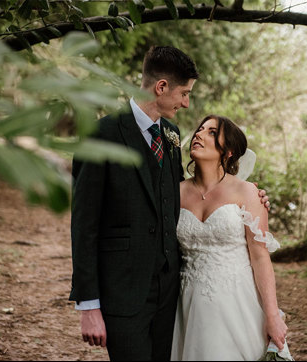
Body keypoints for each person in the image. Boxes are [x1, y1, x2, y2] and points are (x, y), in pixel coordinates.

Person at [69, 46, 270, 361]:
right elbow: (84, 224)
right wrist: (88, 305)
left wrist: (248, 195)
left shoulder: (172, 137)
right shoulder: (100, 135)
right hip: (123, 293)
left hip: (173, 297)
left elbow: (177, 197)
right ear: (161, 87)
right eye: (185, 93)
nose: (187, 103)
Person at [170, 115, 288, 361]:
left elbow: (260, 256)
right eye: (200, 129)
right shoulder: (174, 192)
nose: (199, 135)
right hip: (186, 304)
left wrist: (272, 315)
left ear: (230, 152)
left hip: (237, 303)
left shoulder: (248, 192)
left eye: (212, 132)